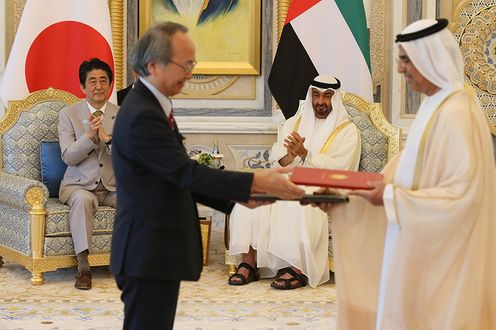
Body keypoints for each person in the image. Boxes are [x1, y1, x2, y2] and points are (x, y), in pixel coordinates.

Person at [109, 21, 305, 330]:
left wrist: (241, 199)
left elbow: (172, 176)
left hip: (152, 250)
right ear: (153, 65)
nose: (190, 73)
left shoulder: (150, 106)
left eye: (192, 64)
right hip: (146, 252)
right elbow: (184, 173)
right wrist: (254, 183)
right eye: (185, 65)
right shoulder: (142, 115)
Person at [314, 18, 496, 329]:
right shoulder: (436, 106)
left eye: (405, 61)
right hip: (414, 245)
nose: (400, 70)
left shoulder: (457, 114)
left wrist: (387, 197)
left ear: (430, 59)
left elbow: (464, 197)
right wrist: (344, 197)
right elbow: (394, 179)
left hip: (442, 261)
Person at [228, 75, 361, 289]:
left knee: (293, 201)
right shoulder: (294, 123)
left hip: (324, 186)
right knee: (253, 194)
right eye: (316, 95)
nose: (320, 101)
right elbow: (277, 157)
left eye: (327, 96)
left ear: (335, 99)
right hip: (289, 176)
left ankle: (295, 267)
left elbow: (342, 168)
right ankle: (249, 262)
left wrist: (306, 154)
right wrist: (290, 156)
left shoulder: (347, 131)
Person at [58, 58, 117, 290]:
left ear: (110, 84)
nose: (98, 86)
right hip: (79, 186)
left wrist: (106, 138)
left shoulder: (121, 114)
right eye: (92, 81)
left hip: (113, 187)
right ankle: (84, 268)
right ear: (83, 87)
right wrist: (89, 137)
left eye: (103, 80)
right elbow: (68, 156)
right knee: (83, 200)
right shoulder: (68, 114)